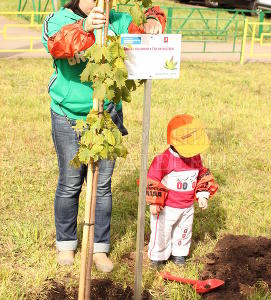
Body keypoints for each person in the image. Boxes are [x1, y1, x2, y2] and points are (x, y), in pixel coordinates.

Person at [41, 0, 166, 272]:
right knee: (70, 183)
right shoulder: (57, 19)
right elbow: (56, 45)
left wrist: (154, 20)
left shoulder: (118, 21)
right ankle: (66, 244)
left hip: (107, 116)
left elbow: (145, 16)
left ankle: (100, 249)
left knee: (102, 186)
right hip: (68, 115)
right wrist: (85, 27)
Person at [145, 114, 219, 266]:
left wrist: (202, 195)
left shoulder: (195, 158)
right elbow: (153, 179)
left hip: (187, 207)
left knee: (184, 231)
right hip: (167, 207)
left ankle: (179, 254)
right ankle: (158, 256)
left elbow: (201, 176)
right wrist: (154, 202)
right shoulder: (164, 160)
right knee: (162, 231)